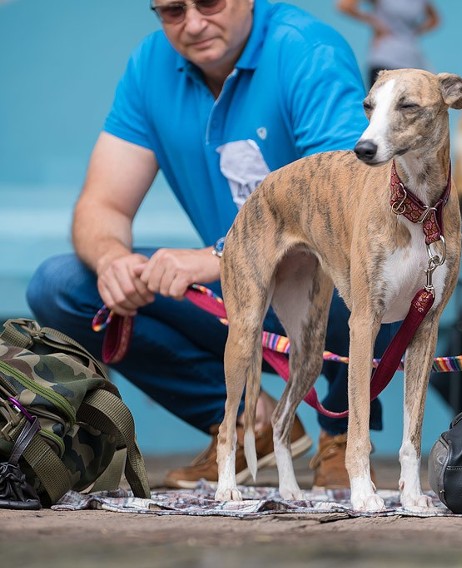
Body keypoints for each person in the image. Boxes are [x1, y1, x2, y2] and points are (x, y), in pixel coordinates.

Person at [25, 0, 397, 490]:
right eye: (173, 10)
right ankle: (248, 422)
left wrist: (216, 256)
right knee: (63, 286)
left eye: (209, 3)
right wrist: (113, 260)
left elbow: (350, 203)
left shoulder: (306, 49)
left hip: (318, 280)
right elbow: (103, 206)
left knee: (377, 278)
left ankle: (342, 435)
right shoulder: (150, 64)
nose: (193, 23)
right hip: (232, 293)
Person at [336, 0, 439, 87]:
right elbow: (345, 6)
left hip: (411, 60)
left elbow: (434, 19)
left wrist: (414, 32)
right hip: (385, 57)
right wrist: (375, 23)